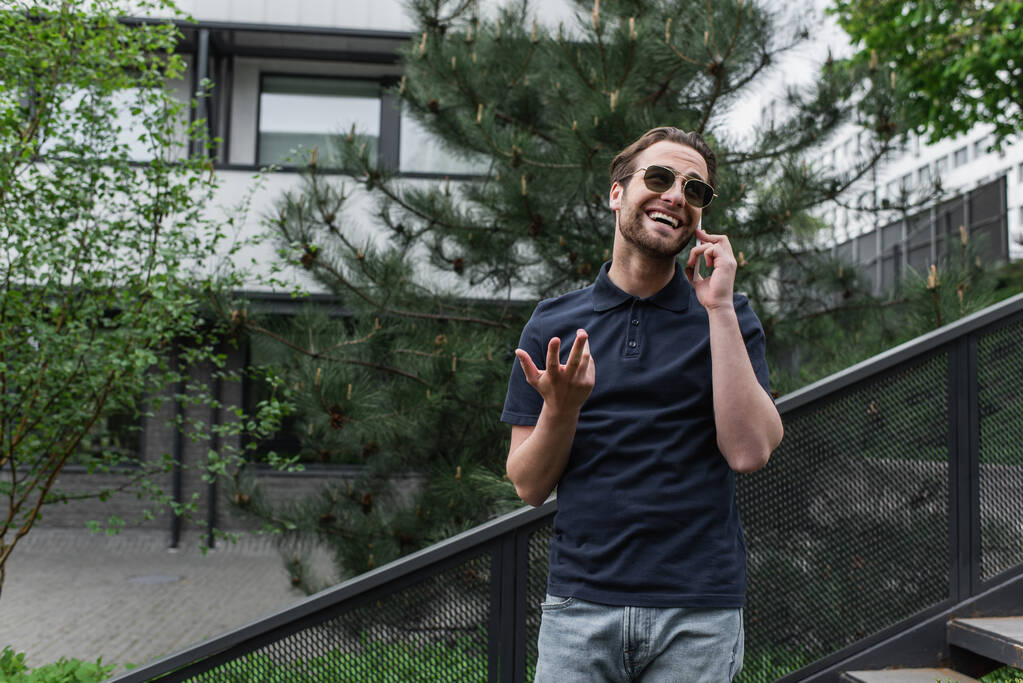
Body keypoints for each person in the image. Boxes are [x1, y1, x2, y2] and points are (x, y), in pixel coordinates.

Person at [500, 127, 784, 682]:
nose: (676, 195)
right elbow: (528, 486)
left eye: (695, 189)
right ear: (617, 193)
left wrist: (719, 308)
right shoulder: (553, 324)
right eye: (659, 178)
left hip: (699, 613)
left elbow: (749, 452)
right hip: (579, 607)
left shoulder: (729, 316)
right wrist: (563, 408)